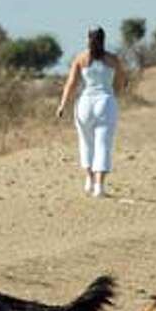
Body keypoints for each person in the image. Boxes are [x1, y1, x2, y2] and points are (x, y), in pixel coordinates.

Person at [56, 26, 127, 198]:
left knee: (86, 142)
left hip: (85, 104)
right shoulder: (113, 59)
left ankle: (89, 179)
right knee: (103, 144)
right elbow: (122, 82)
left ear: (88, 38)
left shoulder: (81, 58)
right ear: (103, 39)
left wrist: (62, 105)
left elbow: (71, 84)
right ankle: (99, 186)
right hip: (105, 102)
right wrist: (114, 94)